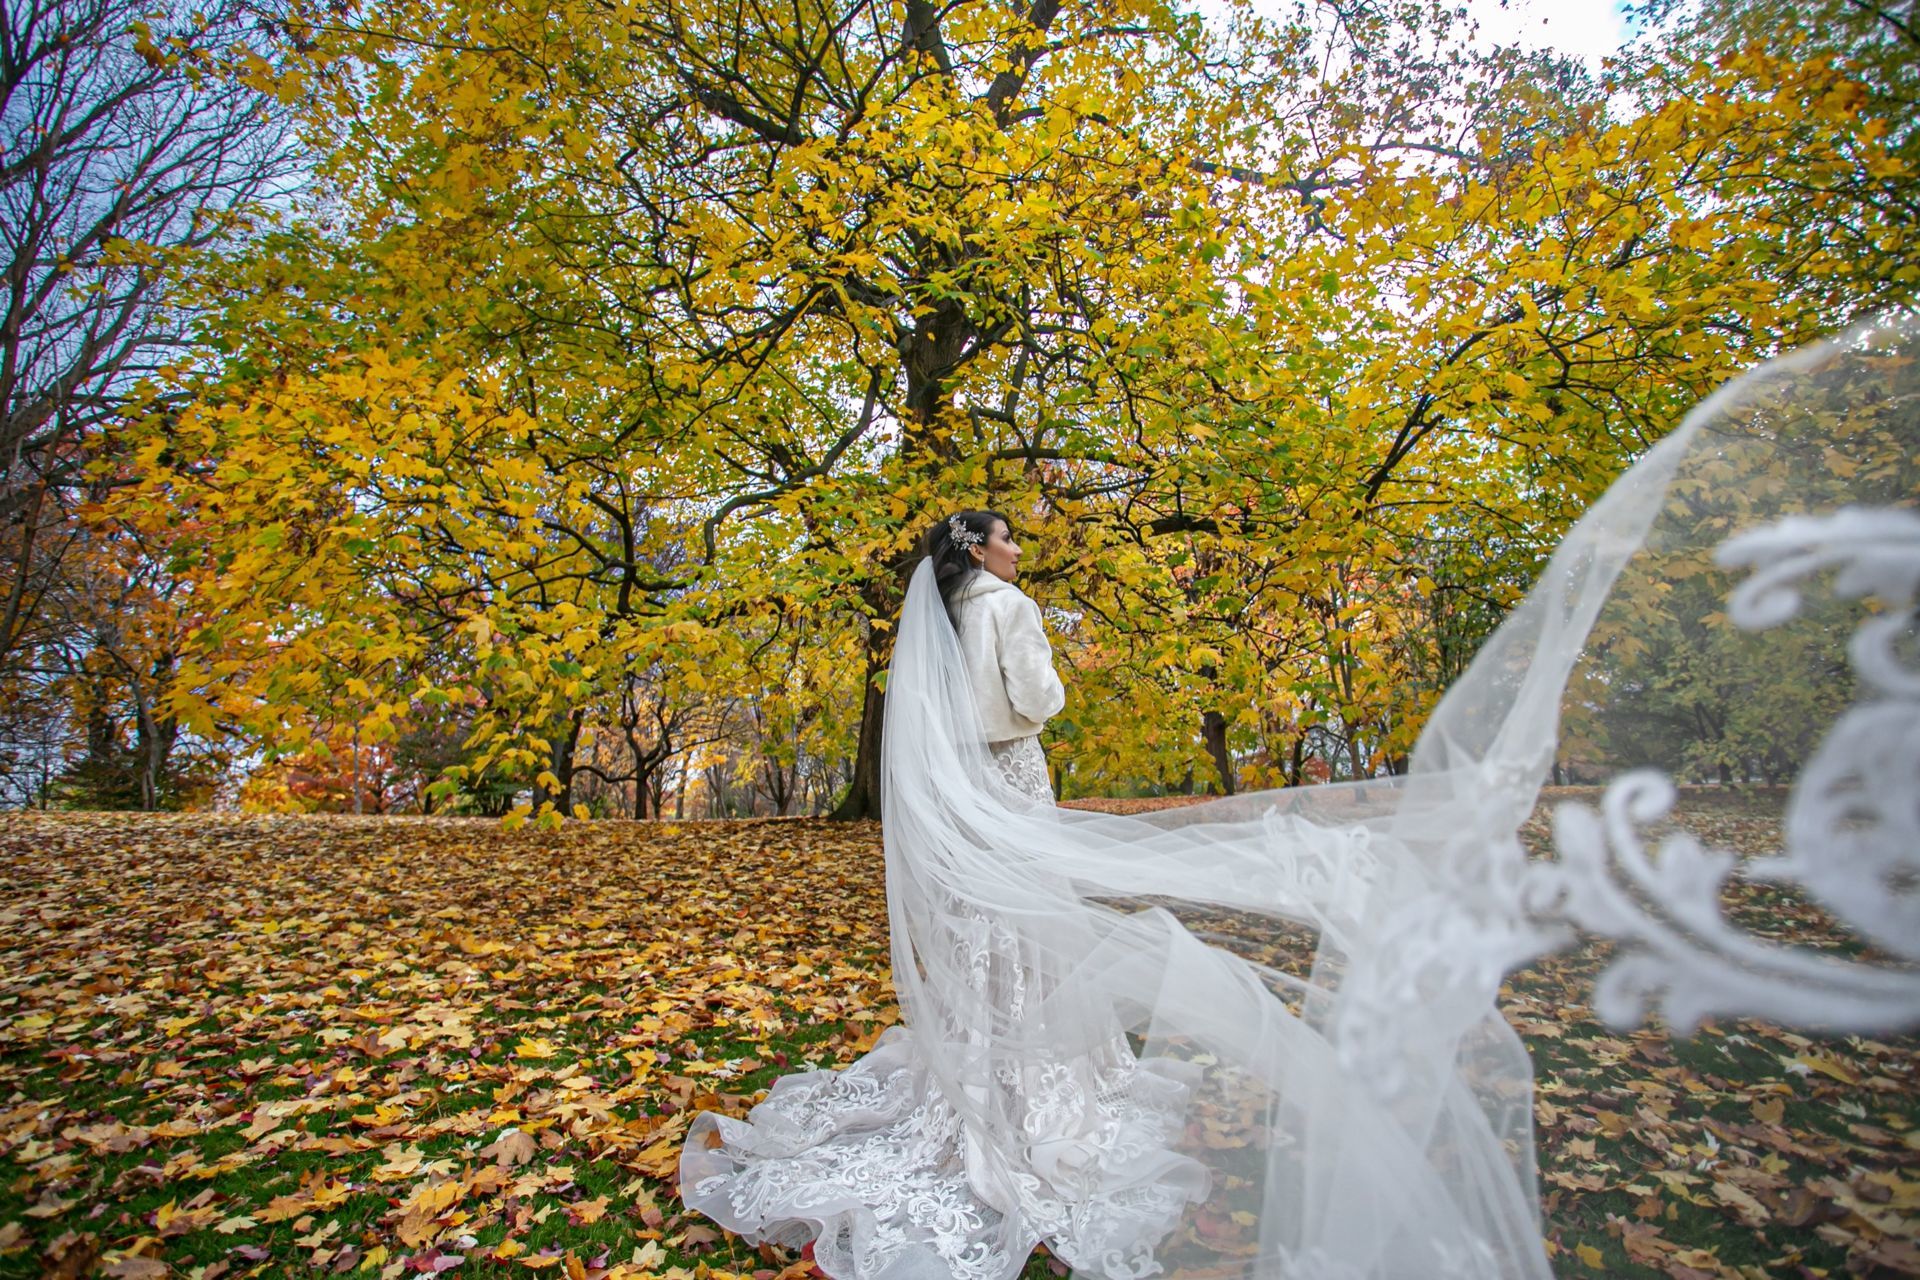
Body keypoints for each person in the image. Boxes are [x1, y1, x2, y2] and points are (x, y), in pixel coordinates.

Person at [680, 312, 1920, 1280]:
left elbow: (951, 719)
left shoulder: (939, 624)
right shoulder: (1009, 610)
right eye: (1007, 535)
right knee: (1034, 924)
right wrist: (1048, 689)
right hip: (1017, 772)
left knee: (988, 934)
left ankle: (985, 1082)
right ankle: (1029, 1099)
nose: (1017, 547)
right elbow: (1040, 705)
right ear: (984, 550)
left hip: (964, 796)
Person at [932, 511, 1065, 805]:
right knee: (1032, 850)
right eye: (1006, 539)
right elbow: (1036, 699)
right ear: (977, 550)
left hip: (954, 772)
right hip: (1012, 767)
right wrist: (1057, 691)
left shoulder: (937, 613)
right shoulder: (1011, 604)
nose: (1017, 550)